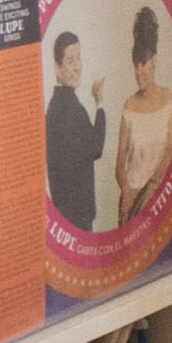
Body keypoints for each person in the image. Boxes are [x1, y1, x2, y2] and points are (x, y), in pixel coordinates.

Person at [113, 2, 172, 212]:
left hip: (159, 194)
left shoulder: (167, 98)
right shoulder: (129, 106)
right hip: (132, 198)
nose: (139, 71)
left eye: (144, 63)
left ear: (155, 61)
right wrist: (127, 191)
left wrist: (152, 188)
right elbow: (119, 164)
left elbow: (170, 149)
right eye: (136, 65)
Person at [43, 26, 106, 237]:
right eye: (70, 60)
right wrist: (100, 104)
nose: (77, 66)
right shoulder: (70, 108)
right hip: (77, 216)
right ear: (58, 68)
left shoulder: (55, 106)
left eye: (78, 58)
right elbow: (96, 148)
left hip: (64, 213)